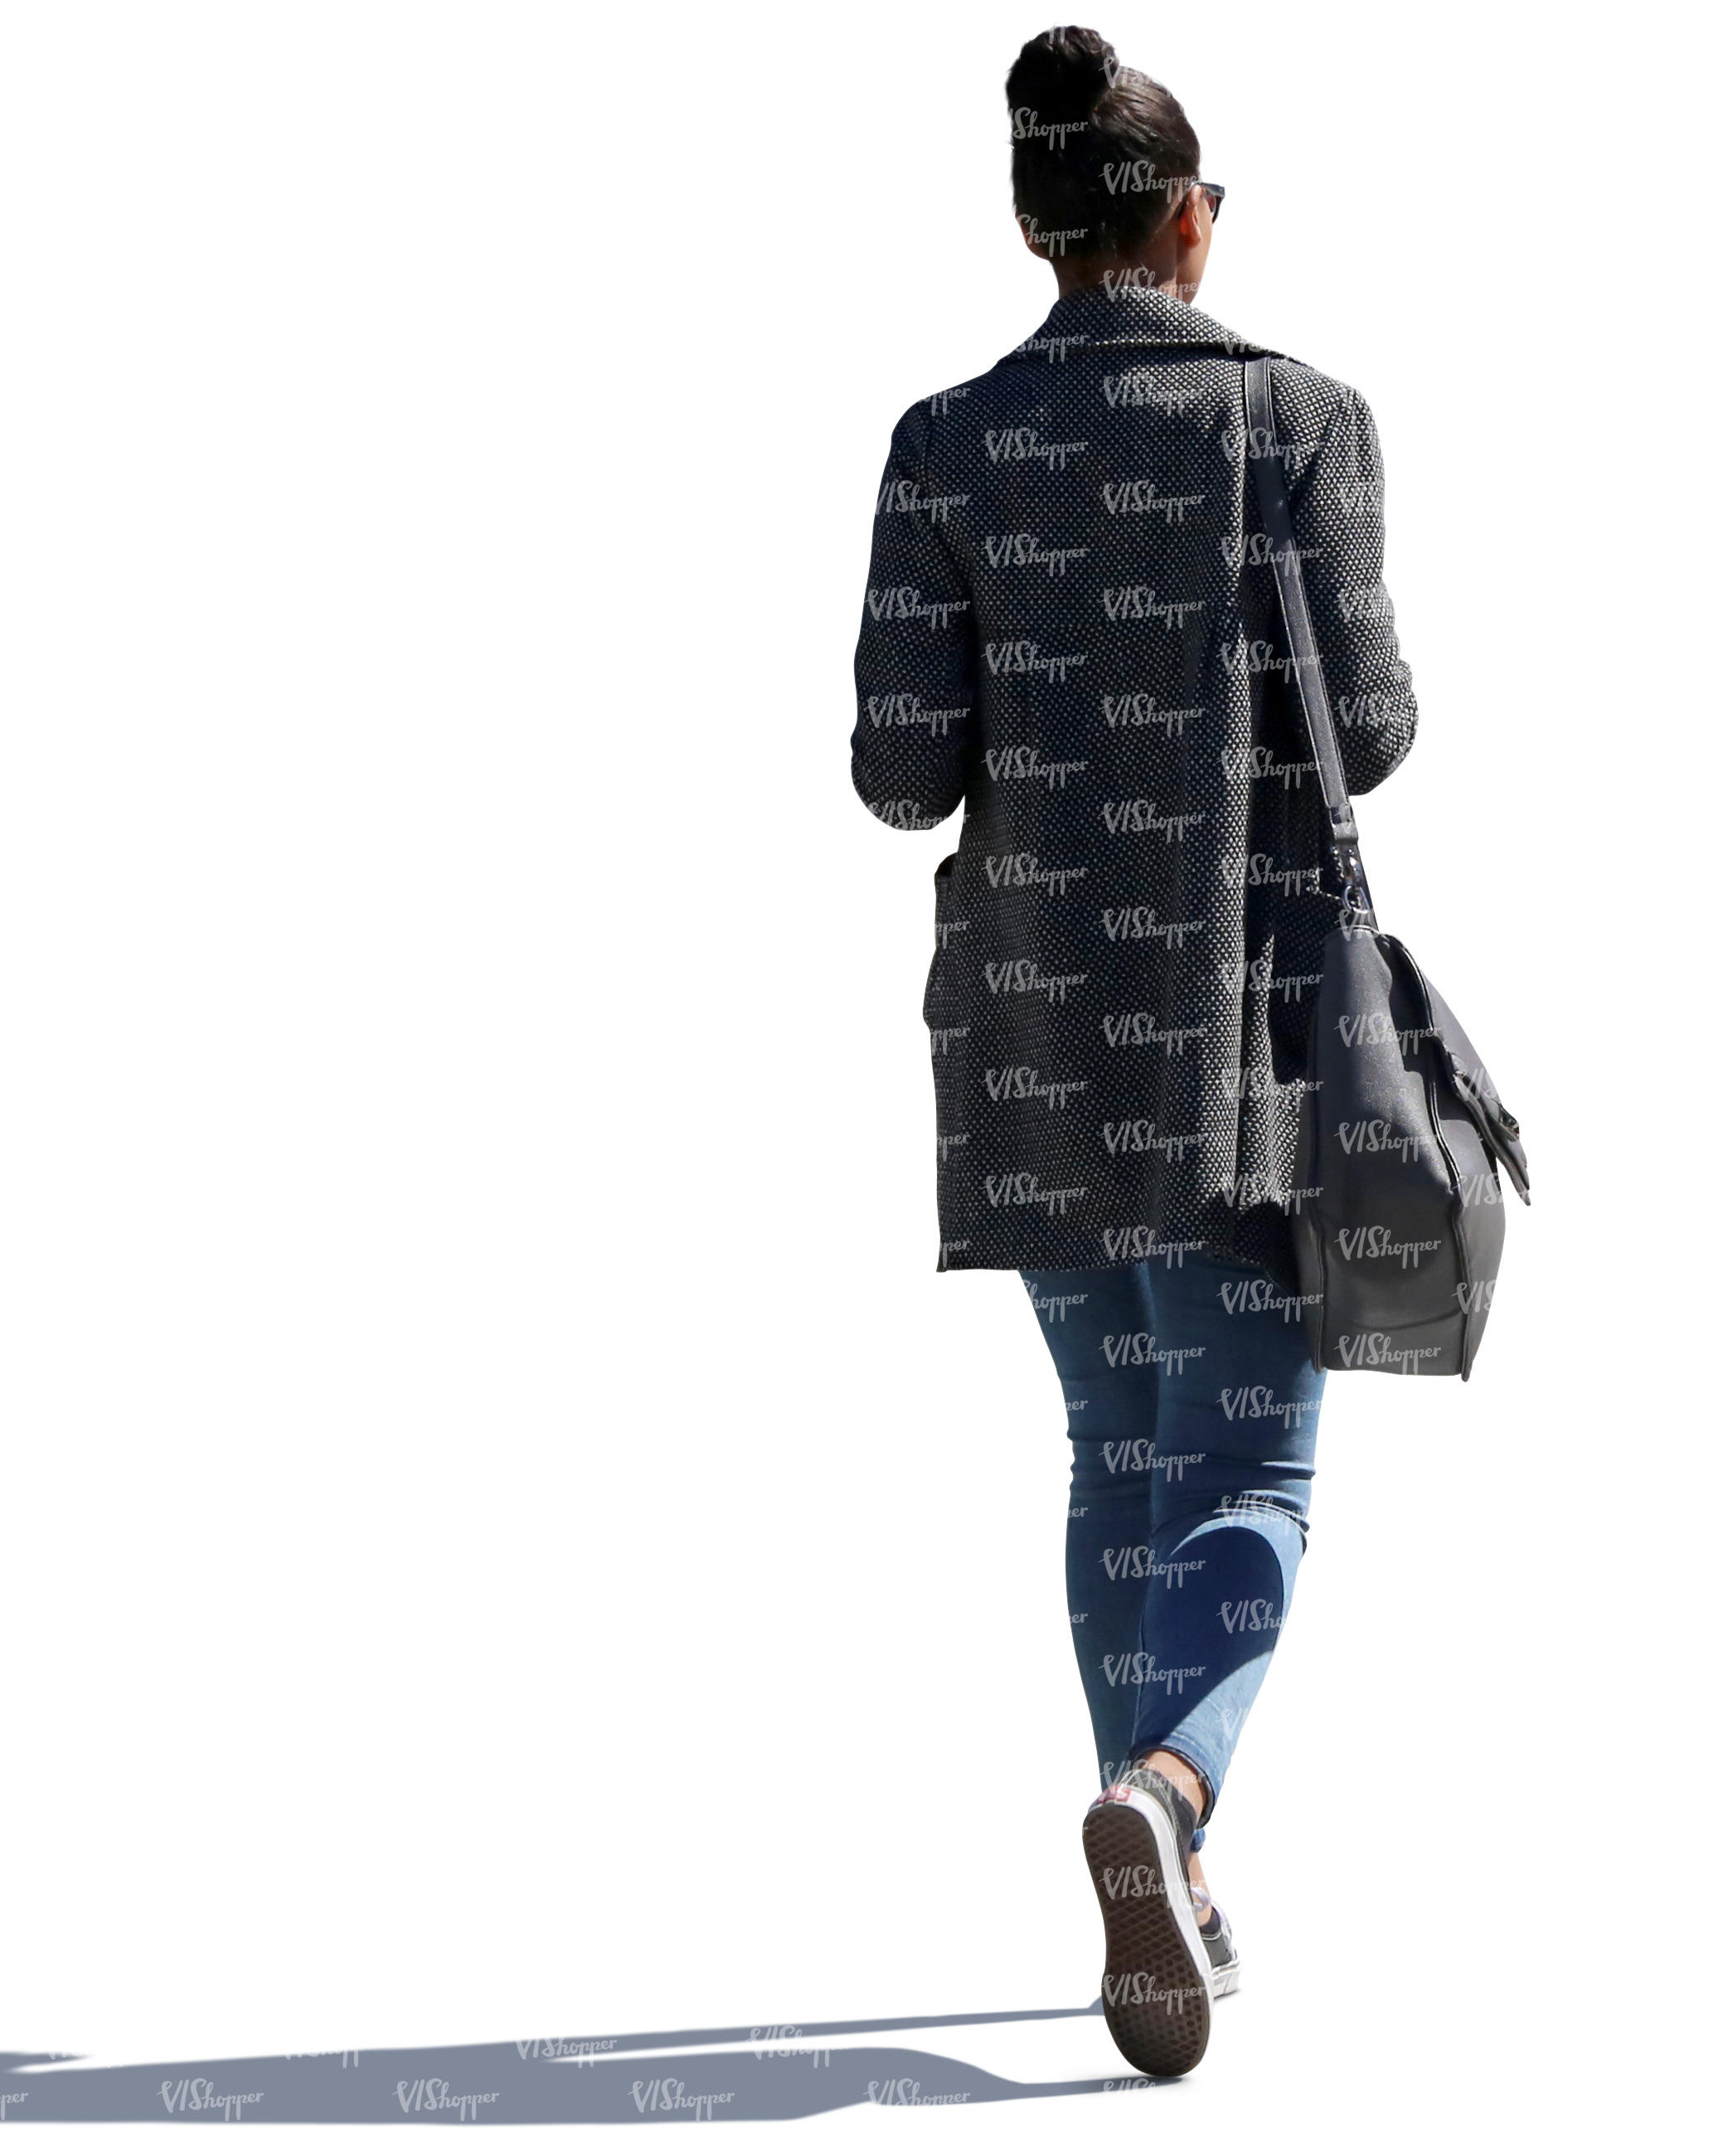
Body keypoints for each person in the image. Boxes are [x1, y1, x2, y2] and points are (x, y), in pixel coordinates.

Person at [849, 24, 1417, 2080]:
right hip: (1241, 1032)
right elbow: (1371, 731)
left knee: (1115, 1449)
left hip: (1029, 1034)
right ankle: (1165, 1797)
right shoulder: (1302, 419)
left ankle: (1164, 1856)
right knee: (1248, 1460)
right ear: (1187, 221)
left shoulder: (940, 444)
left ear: (1032, 231)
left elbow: (900, 773)